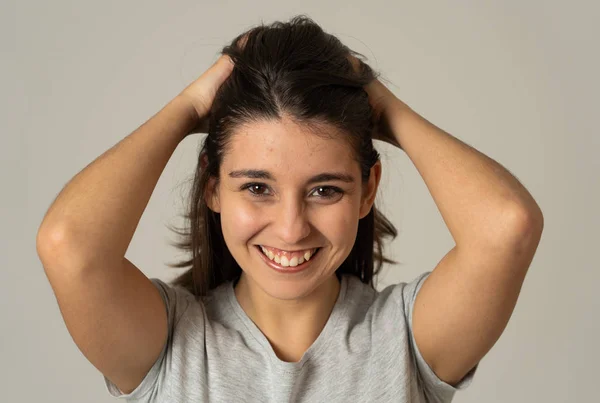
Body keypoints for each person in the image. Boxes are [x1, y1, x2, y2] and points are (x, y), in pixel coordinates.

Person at [36, 15, 544, 403]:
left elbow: (506, 227)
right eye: (257, 187)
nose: (290, 227)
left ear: (368, 190)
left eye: (325, 190)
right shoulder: (169, 346)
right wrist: (190, 105)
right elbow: (69, 246)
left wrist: (378, 101)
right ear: (212, 186)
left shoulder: (405, 341)